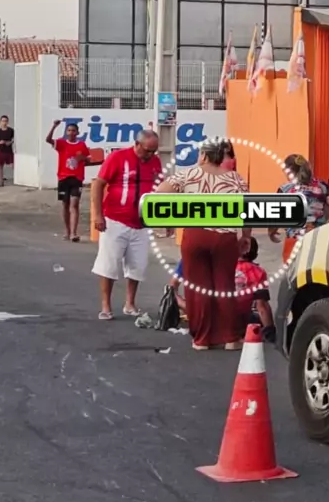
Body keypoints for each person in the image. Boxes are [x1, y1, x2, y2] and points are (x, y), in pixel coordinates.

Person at [155, 137, 251, 351]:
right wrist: (246, 236)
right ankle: (230, 338)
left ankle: (202, 339)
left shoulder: (188, 174)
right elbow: (247, 209)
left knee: (198, 288)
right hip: (225, 237)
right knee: (224, 286)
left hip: (195, 235)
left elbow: (160, 192)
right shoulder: (236, 178)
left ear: (205, 155)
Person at [92, 130, 162, 321]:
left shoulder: (155, 162)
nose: (150, 155)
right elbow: (98, 184)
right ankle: (106, 306)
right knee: (109, 265)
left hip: (142, 223)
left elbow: (159, 190)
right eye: (147, 150)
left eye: (154, 151)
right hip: (115, 220)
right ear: (137, 144)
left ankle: (130, 304)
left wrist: (165, 219)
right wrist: (98, 215)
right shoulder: (117, 157)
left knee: (137, 266)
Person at [269, 154, 329, 263]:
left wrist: (272, 232)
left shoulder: (285, 189)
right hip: (318, 239)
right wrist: (326, 228)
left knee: (294, 272)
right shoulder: (321, 186)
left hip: (294, 241)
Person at [46, 120, 92, 241]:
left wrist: (82, 158)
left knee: (74, 204)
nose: (71, 132)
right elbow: (48, 140)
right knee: (65, 204)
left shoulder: (82, 145)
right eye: (69, 130)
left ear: (77, 132)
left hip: (77, 178)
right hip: (63, 178)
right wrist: (54, 126)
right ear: (66, 132)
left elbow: (88, 160)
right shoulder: (62, 143)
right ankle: (67, 231)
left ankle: (73, 233)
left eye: (73, 130)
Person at [234, 237, 276, 343]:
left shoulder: (223, 268)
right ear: (255, 255)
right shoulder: (258, 272)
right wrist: (270, 332)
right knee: (257, 318)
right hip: (242, 318)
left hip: (219, 321)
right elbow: (262, 306)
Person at [0, 115, 14, 186]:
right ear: (0, 122)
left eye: (6, 121)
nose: (4, 122)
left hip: (9, 151)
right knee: (0, 166)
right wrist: (0, 142)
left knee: (13, 165)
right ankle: (1, 182)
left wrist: (10, 142)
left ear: (8, 122)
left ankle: (19, 179)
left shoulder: (11, 130)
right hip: (1, 150)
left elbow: (14, 139)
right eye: (3, 121)